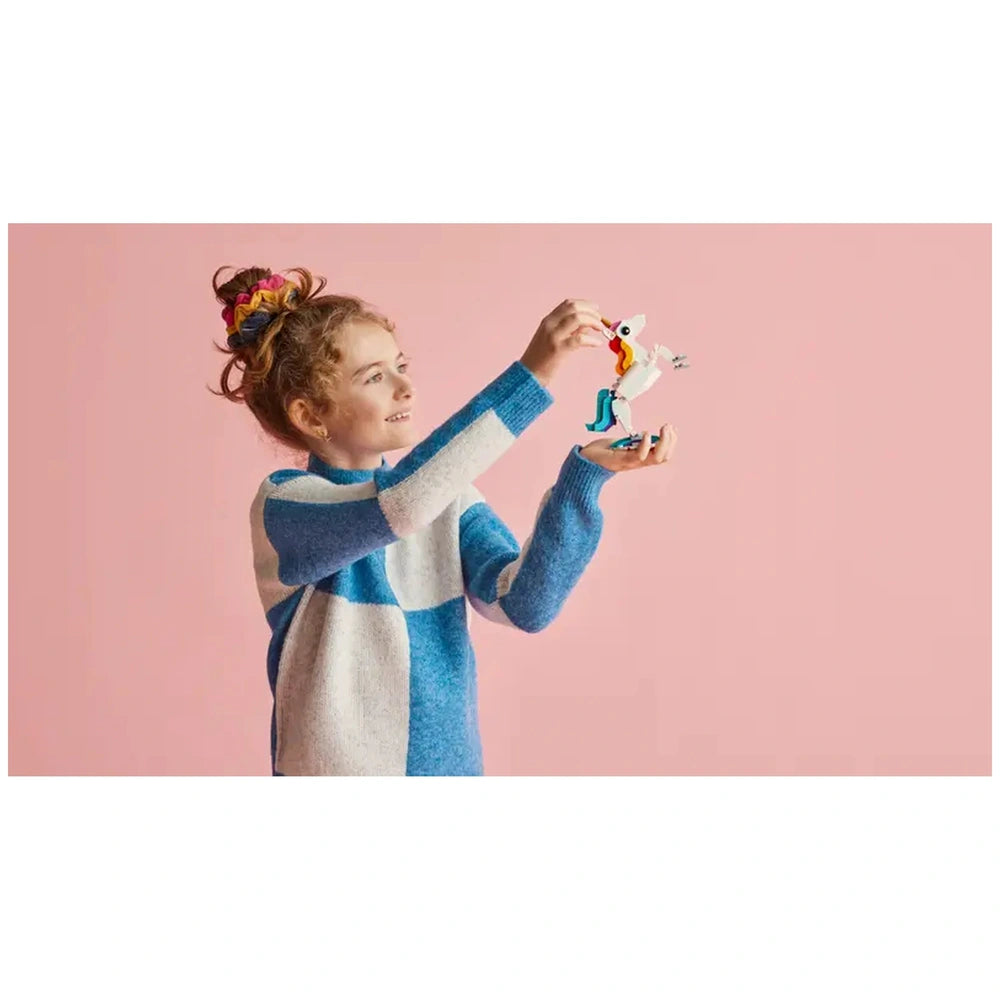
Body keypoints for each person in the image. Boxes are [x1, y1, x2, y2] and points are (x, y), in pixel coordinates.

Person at [210, 265, 678, 775]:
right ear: (310, 416)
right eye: (374, 377)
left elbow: (524, 605)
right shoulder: (287, 506)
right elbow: (397, 506)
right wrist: (533, 376)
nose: (404, 386)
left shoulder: (444, 500)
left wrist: (583, 480)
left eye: (401, 365)